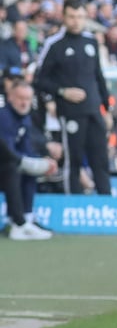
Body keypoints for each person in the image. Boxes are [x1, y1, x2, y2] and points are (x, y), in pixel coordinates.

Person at [33, 0, 112, 195]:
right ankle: (73, 203)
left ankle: (107, 202)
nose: (76, 21)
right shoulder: (54, 44)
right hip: (71, 112)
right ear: (64, 17)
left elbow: (99, 76)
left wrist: (107, 108)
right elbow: (39, 80)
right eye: (71, 17)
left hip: (94, 110)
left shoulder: (91, 41)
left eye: (79, 17)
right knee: (73, 158)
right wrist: (62, 92)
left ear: (85, 18)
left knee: (100, 158)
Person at [1, 79, 58, 240]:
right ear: (10, 97)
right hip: (5, 166)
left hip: (9, 165)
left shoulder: (25, 118)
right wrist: (31, 163)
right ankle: (17, 224)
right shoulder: (3, 117)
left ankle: (27, 218)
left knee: (28, 169)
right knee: (14, 168)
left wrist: (44, 163)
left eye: (27, 99)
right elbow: (7, 152)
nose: (24, 103)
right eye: (20, 98)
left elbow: (26, 150)